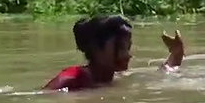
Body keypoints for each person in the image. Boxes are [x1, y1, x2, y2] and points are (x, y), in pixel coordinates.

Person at [43, 15, 185, 91]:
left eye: (127, 48)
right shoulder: (72, 77)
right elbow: (42, 97)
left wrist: (176, 54)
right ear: (96, 48)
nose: (127, 56)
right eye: (121, 48)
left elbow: (161, 74)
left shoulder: (117, 76)